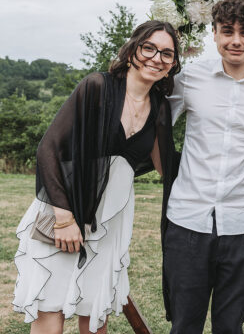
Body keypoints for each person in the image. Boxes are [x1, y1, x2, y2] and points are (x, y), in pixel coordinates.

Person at [12, 20, 180, 334]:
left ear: (172, 65)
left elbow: (168, 167)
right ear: (133, 51)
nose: (157, 58)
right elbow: (48, 149)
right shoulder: (97, 87)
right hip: (65, 209)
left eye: (167, 54)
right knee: (51, 306)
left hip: (111, 222)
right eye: (149, 48)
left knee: (95, 314)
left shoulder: (159, 108)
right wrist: (64, 219)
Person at [163, 0, 244, 333]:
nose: (236, 40)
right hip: (187, 219)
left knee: (230, 326)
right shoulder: (189, 79)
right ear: (214, 34)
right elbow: (153, 127)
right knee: (184, 324)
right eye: (227, 31)